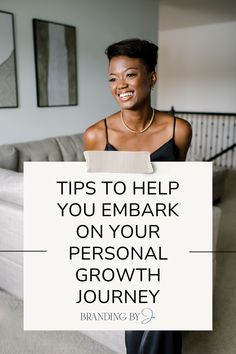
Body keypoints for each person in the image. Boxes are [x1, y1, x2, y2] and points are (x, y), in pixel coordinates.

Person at [83, 38, 192, 354]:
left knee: (165, 317)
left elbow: (176, 190)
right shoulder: (95, 135)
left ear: (152, 77)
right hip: (123, 243)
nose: (120, 85)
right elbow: (95, 199)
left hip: (167, 241)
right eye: (113, 78)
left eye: (130, 74)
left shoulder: (179, 130)